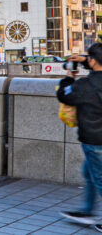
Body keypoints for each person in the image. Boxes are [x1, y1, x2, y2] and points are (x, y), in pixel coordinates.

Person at [58, 43, 102, 227]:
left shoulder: (86, 85)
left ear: (92, 61)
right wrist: (85, 59)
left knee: (99, 178)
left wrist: (68, 78)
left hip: (94, 139)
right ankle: (86, 211)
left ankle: (88, 212)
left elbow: (64, 96)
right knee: (89, 172)